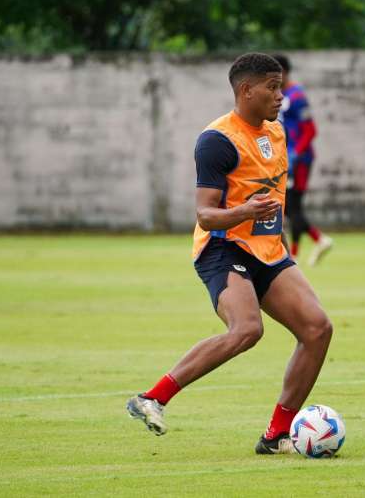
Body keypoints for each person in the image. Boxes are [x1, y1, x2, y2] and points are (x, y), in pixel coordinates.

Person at [126, 53, 333, 455]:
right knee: (247, 330)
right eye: (272, 87)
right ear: (246, 90)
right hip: (223, 247)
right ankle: (152, 398)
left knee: (317, 330)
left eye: (281, 86)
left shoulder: (276, 132)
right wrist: (245, 211)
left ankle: (275, 437)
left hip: (267, 250)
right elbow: (205, 215)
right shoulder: (216, 140)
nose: (280, 96)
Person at [273, 54, 332, 266]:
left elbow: (310, 130)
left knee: (292, 205)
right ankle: (301, 250)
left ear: (284, 72)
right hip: (285, 159)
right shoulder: (278, 95)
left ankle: (315, 241)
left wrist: (295, 153)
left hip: (300, 160)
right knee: (290, 206)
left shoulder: (297, 96)